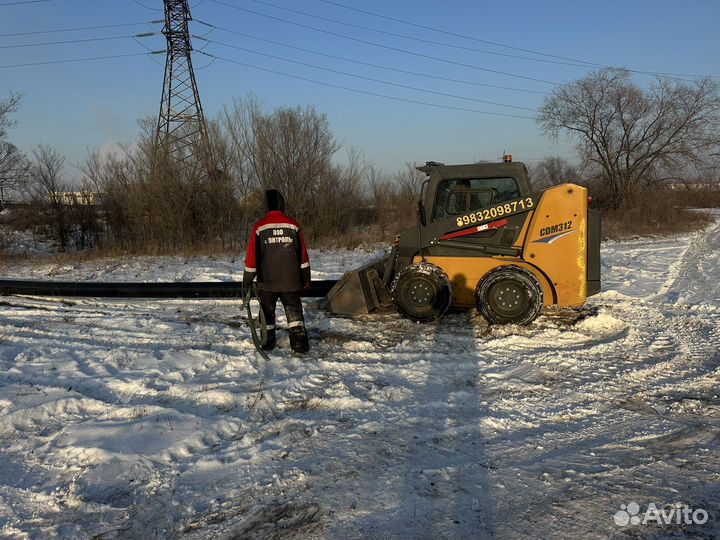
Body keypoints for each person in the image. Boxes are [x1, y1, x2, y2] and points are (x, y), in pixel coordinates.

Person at [242, 189, 311, 354]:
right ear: (282, 204)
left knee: (267, 313)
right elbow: (303, 256)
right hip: (291, 281)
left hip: (267, 283)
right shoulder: (293, 225)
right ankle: (299, 344)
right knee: (294, 312)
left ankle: (267, 342)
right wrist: (306, 279)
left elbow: (252, 257)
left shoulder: (259, 227)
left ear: (266, 205)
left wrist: (247, 280)